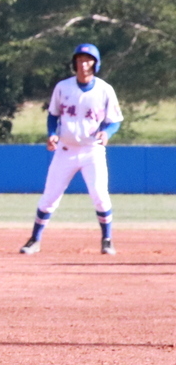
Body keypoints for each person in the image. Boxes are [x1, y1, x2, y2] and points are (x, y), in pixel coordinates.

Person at [21, 43, 121, 256]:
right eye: (80, 60)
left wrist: (107, 133)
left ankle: (107, 239)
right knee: (49, 197)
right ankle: (34, 239)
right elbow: (53, 115)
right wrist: (51, 134)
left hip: (92, 150)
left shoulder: (105, 90)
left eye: (88, 60)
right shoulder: (63, 87)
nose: (83, 64)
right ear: (74, 63)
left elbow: (115, 121)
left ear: (95, 63)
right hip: (65, 150)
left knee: (100, 195)